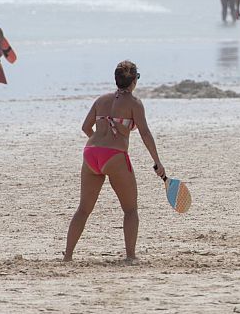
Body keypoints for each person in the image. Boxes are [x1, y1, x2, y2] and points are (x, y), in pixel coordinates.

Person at [63, 60, 165, 263]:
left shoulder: (101, 100)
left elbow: (85, 127)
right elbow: (145, 133)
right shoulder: (134, 103)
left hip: (91, 154)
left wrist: (100, 143)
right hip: (115, 156)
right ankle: (130, 256)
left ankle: (68, 256)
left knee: (83, 209)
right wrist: (157, 162)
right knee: (130, 210)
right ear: (134, 80)